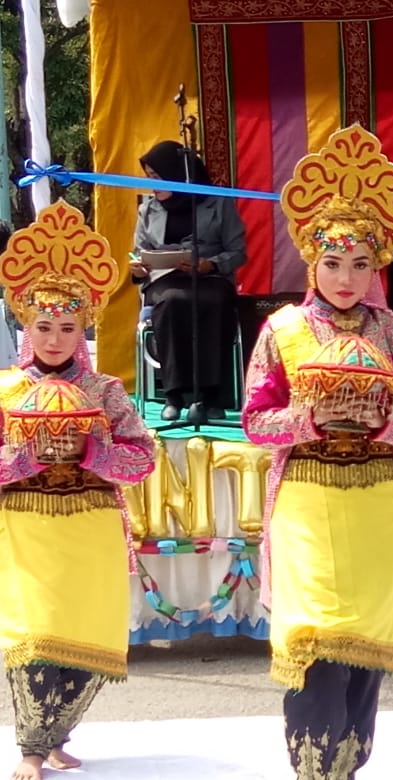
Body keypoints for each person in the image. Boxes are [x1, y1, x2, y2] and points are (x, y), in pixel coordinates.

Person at [242, 125, 393, 780]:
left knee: (363, 644)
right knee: (315, 638)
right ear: (311, 259)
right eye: (333, 262)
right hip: (308, 501)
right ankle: (314, 768)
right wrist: (306, 419)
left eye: (360, 263)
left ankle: (349, 764)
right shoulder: (284, 331)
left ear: (378, 262)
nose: (346, 277)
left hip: (380, 501)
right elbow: (254, 421)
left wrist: (386, 424)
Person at [0, 201, 155, 780]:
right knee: (37, 634)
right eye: (45, 327)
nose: (56, 338)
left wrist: (95, 453)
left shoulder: (105, 389)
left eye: (68, 327)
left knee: (88, 637)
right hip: (27, 528)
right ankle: (30, 750)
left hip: (90, 526)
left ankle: (57, 733)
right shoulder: (6, 390)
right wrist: (21, 460)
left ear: (84, 327)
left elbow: (142, 457)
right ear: (25, 325)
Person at [131, 140, 246, 421]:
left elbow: (238, 252)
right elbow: (139, 250)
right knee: (172, 302)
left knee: (213, 301)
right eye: (149, 179)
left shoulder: (217, 202)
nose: (153, 185)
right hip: (164, 279)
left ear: (177, 175)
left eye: (158, 178)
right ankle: (174, 395)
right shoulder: (148, 209)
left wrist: (210, 264)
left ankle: (212, 396)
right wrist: (138, 269)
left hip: (210, 277)